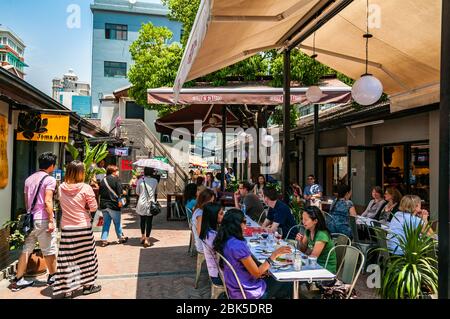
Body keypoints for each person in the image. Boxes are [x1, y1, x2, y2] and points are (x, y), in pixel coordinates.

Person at [213, 209, 293, 299]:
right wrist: (275, 254)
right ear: (236, 224)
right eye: (244, 222)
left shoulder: (226, 240)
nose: (246, 226)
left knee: (278, 281)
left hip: (235, 286)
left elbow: (249, 268)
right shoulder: (238, 245)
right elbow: (257, 273)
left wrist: (262, 270)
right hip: (246, 292)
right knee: (286, 280)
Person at [9, 152, 58, 291]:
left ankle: (19, 279)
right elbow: (48, 201)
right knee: (49, 249)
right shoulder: (50, 180)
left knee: (26, 249)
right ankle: (53, 276)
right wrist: (50, 220)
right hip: (43, 218)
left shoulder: (29, 179)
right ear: (52, 165)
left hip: (30, 220)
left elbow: (26, 202)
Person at [53, 161, 101, 298]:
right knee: (87, 258)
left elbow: (59, 202)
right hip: (83, 227)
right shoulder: (86, 188)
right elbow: (93, 207)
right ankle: (88, 286)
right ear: (81, 172)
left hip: (67, 229)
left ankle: (68, 290)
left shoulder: (61, 187)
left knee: (67, 259)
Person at [296, 206, 337, 274]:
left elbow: (313, 258)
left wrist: (298, 260)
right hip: (314, 266)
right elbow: (303, 250)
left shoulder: (322, 235)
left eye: (306, 220)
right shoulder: (308, 230)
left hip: (325, 269)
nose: (303, 222)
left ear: (315, 221)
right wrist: (300, 241)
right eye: (302, 219)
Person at [99, 165, 128, 247]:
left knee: (106, 223)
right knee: (117, 223)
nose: (118, 172)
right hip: (113, 204)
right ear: (113, 171)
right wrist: (124, 192)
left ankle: (104, 240)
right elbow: (120, 193)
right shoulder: (116, 179)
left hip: (104, 204)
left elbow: (100, 192)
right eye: (117, 170)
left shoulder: (103, 180)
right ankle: (120, 238)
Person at [199, 203, 225, 285]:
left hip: (214, 271)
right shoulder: (212, 236)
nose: (223, 215)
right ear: (213, 216)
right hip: (219, 276)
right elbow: (226, 253)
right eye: (221, 213)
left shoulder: (207, 231)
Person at [136, 167, 159, 248]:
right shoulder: (155, 181)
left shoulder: (140, 180)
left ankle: (142, 236)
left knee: (142, 220)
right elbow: (156, 193)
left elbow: (137, 192)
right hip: (150, 204)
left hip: (141, 203)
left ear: (145, 172)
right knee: (149, 222)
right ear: (152, 172)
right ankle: (147, 239)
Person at [192, 188, 216, 254]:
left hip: (204, 243)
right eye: (210, 202)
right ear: (204, 201)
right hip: (203, 246)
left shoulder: (199, 209)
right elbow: (201, 234)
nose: (212, 204)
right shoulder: (200, 214)